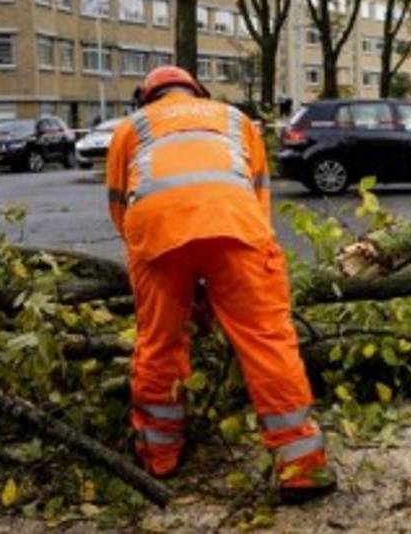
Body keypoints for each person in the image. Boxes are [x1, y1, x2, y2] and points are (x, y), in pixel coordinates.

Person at [106, 66, 336, 501]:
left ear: (147, 97)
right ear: (198, 91)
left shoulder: (130, 128)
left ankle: (159, 458)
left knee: (159, 344)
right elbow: (257, 196)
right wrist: (232, 271)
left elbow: (120, 208)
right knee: (267, 340)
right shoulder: (235, 119)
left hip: (156, 234)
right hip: (237, 226)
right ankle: (302, 468)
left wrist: (160, 261)